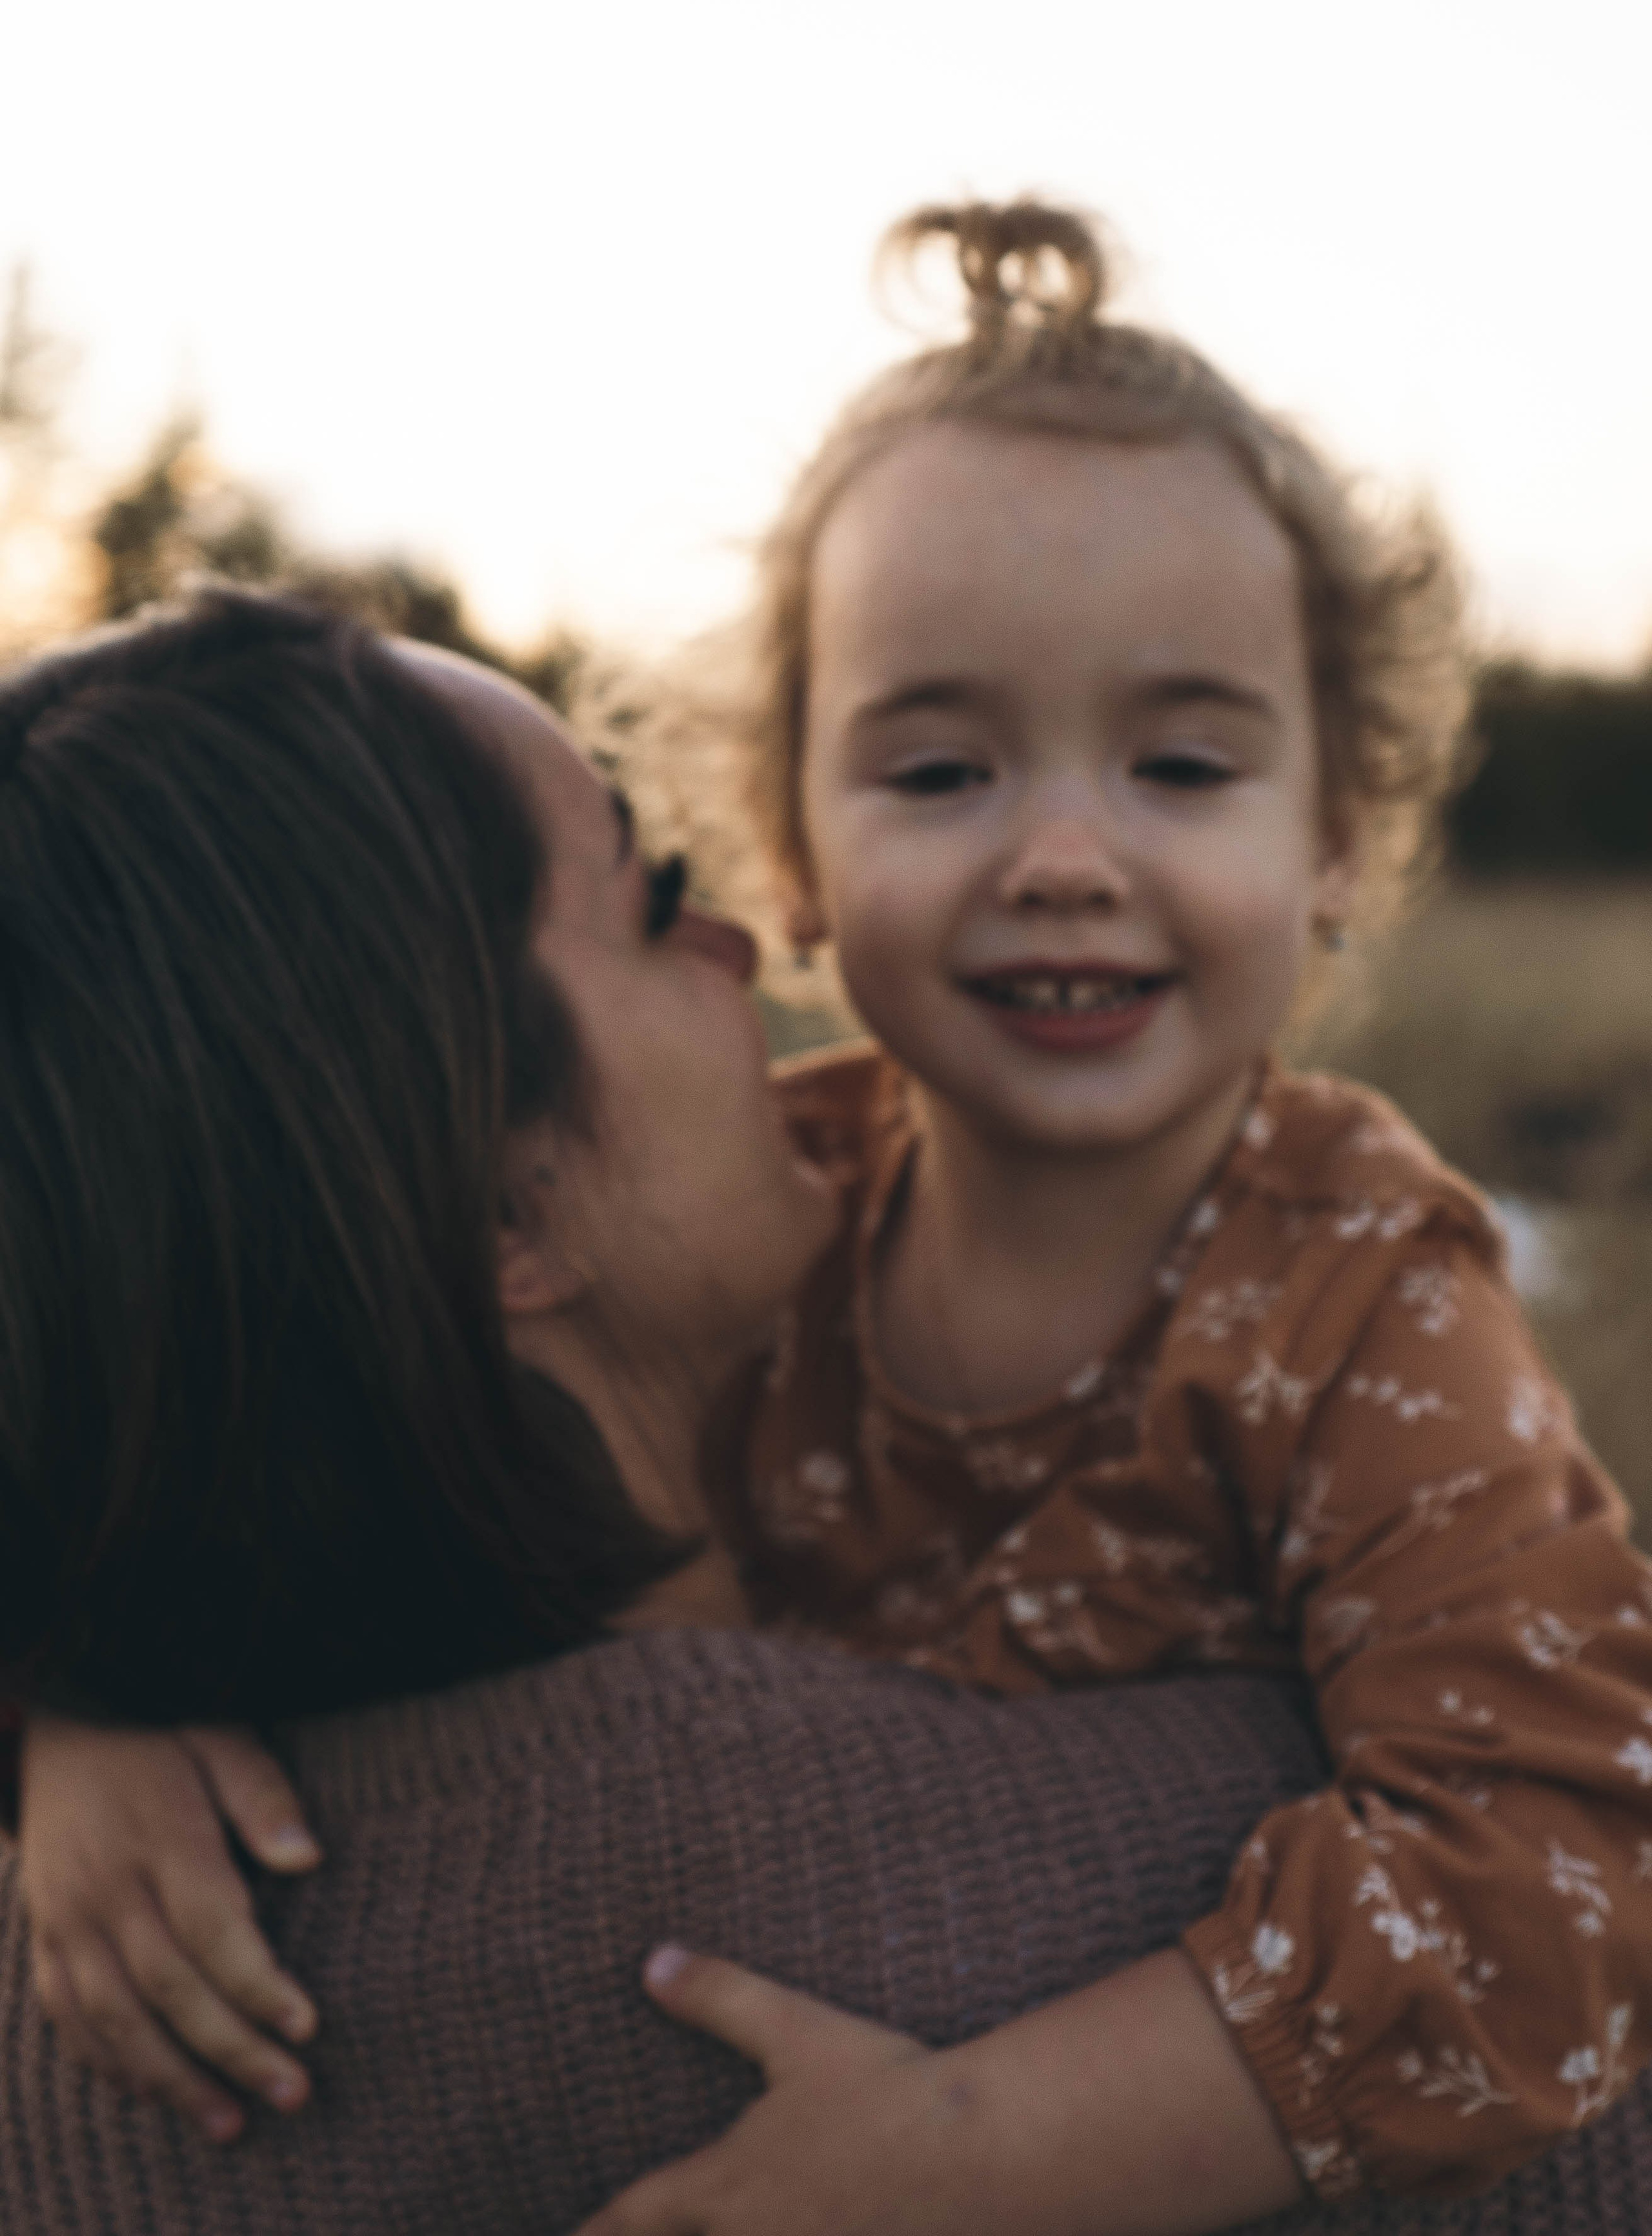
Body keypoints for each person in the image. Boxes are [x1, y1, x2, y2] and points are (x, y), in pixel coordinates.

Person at [5, 587, 1652, 2234]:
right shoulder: (1226, 1870)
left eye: (1180, 763)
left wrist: (92, 1683)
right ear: (505, 1221)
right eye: (649, 899)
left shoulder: (89, 1989)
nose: (731, 935)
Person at [629, 198, 1652, 2217]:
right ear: (793, 847)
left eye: (1182, 763)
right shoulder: (752, 1209)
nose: (1068, 854)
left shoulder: (1359, 1283)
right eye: (940, 774)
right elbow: (371, 1475)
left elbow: (1564, 1861)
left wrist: (976, 2156)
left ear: (1336, 832)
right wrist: (114, 1711)